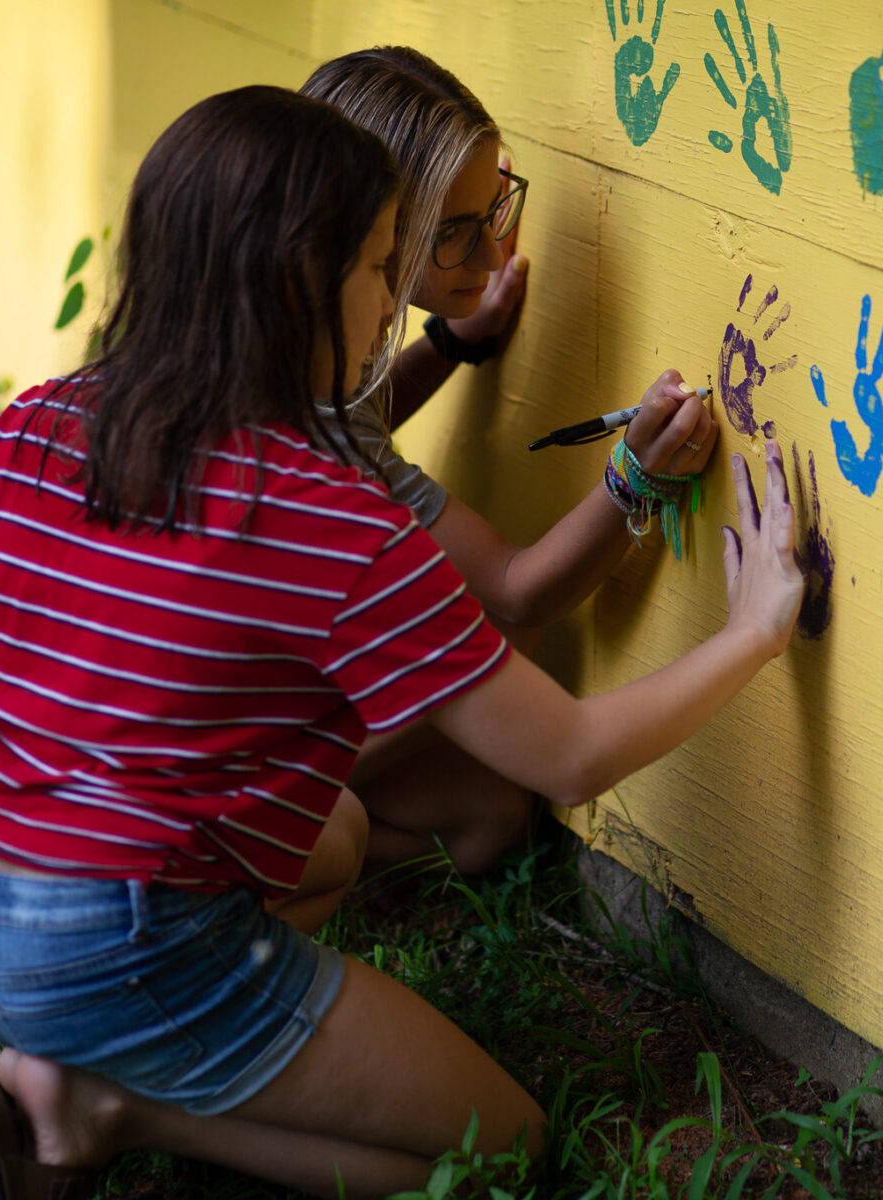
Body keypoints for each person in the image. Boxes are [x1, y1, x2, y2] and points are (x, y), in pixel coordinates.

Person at [0, 85, 802, 1198]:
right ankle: (107, 1106)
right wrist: (752, 632)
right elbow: (569, 757)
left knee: (336, 840)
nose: (390, 299)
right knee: (501, 1147)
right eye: (377, 264)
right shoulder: (326, 515)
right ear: (297, 287)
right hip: (115, 940)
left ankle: (84, 1054)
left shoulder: (31, 422)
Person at [300, 47, 721, 873]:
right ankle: (285, 847)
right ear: (372, 234)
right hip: (221, 734)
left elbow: (357, 420)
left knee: (491, 814)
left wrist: (450, 342)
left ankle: (310, 844)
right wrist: (637, 476)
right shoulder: (318, 423)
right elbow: (521, 591)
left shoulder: (302, 334)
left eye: (491, 211)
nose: (493, 256)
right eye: (454, 234)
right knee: (491, 626)